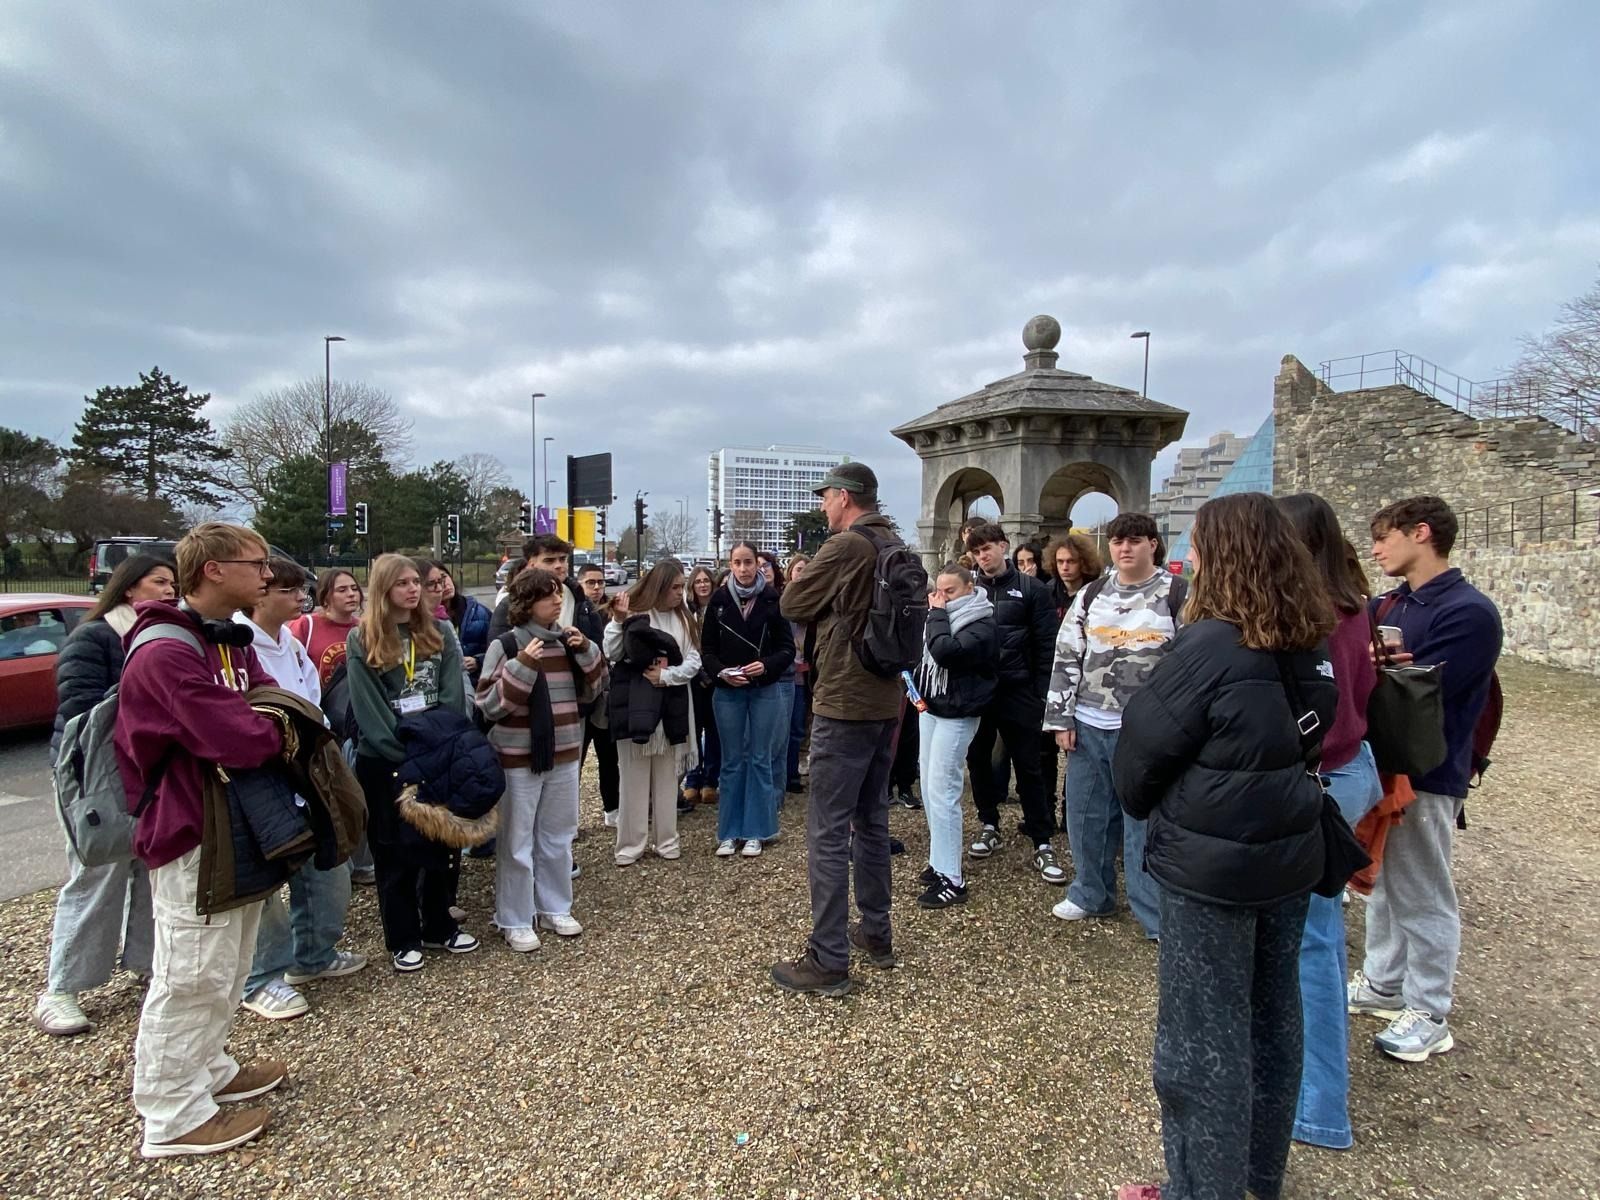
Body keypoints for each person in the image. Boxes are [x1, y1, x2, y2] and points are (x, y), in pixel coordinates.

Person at [1111, 492, 1338, 1200]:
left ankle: (1200, 1189)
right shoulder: (1311, 640)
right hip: (1288, 854)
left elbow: (1140, 754)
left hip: (1214, 868)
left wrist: (1156, 805)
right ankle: (1255, 1181)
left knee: (1200, 1041)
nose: (1193, 557)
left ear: (1225, 555)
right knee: (1273, 1020)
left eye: (1201, 545)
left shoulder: (1207, 645)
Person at [115, 523, 291, 1158]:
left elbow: (259, 706)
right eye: (256, 563)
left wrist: (266, 719)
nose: (268, 575)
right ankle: (171, 1112)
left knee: (229, 961)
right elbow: (245, 735)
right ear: (214, 570)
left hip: (229, 820)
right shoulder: (167, 651)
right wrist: (277, 727)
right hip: (190, 827)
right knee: (190, 970)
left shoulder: (221, 639)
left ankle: (208, 1067)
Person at [1349, 496, 1502, 1063]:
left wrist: (1375, 667)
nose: (1376, 548)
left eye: (1385, 537)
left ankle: (1431, 1008)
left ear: (1422, 533)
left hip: (1430, 768)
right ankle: (1384, 982)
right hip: (1387, 760)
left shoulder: (1468, 612)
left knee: (1424, 889)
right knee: (1387, 879)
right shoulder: (1390, 602)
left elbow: (1424, 691)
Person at [771, 462, 903, 996]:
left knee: (827, 830)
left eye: (826, 497)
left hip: (845, 699)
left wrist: (813, 590)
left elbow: (791, 603)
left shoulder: (848, 545)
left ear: (845, 498)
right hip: (884, 696)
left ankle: (828, 959)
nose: (823, 505)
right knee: (871, 820)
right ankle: (876, 934)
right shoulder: (894, 541)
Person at [1277, 493, 1382, 1150]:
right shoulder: (1356, 607)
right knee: (1307, 935)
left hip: (1316, 777)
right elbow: (1364, 694)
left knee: (1313, 942)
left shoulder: (1305, 614)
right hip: (1350, 767)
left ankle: (1320, 1106)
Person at [34, 554, 176, 1038]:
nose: (169, 590)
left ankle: (148, 964)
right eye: (159, 582)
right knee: (96, 877)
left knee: (150, 872)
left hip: (149, 773)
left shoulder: (164, 636)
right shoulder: (94, 638)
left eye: (172, 582)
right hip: (95, 776)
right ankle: (62, 986)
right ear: (128, 589)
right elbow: (80, 711)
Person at [234, 558, 366, 1022]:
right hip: (262, 775)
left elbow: (310, 699)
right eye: (290, 592)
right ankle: (261, 977)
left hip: (307, 768)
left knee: (327, 865)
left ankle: (315, 955)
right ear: (264, 594)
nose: (299, 600)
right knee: (267, 882)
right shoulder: (238, 640)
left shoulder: (287, 641)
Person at [1044, 512, 1184, 936]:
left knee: (1142, 822)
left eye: (1135, 541)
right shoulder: (1091, 595)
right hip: (1088, 723)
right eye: (1119, 541)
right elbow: (1067, 656)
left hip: (1145, 731)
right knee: (1086, 815)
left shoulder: (1179, 595)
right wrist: (1060, 718)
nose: (1125, 548)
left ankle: (1152, 912)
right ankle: (1091, 892)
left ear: (1153, 545)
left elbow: (1191, 665)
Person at [346, 554, 476, 972]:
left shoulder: (439, 631)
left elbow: (453, 694)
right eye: (402, 583)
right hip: (387, 761)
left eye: (415, 582)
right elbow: (369, 709)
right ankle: (402, 936)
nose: (413, 589)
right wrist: (404, 753)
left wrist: (441, 746)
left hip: (436, 753)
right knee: (394, 849)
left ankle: (439, 924)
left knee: (441, 841)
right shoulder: (362, 638)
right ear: (384, 590)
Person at [477, 567, 605, 950]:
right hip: (518, 758)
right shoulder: (507, 645)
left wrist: (586, 650)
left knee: (558, 836)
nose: (557, 601)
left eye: (559, 596)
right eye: (548, 595)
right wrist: (523, 667)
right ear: (526, 603)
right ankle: (514, 917)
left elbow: (594, 689)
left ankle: (554, 906)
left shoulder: (567, 641)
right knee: (516, 841)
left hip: (565, 752)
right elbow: (489, 704)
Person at [961, 522, 1062, 884]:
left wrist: (1040, 692)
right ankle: (989, 822)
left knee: (1029, 765)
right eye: (976, 551)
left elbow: (1047, 643)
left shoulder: (1032, 589)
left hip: (1020, 691)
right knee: (979, 761)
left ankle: (1041, 837)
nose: (983, 556)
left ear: (1003, 546)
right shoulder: (969, 590)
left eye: (987, 548)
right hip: (980, 693)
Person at [700, 542, 795, 857]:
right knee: (732, 760)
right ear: (730, 564)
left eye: (748, 562)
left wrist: (766, 665)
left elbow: (787, 649)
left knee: (759, 758)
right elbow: (707, 652)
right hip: (728, 691)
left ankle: (757, 830)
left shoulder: (772, 599)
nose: (743, 568)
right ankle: (729, 831)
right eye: (737, 562)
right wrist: (722, 672)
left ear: (758, 564)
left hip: (764, 689)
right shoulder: (719, 600)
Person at [605, 559, 702, 866]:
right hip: (637, 706)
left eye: (682, 586)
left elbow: (694, 660)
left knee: (667, 778)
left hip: (673, 704)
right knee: (632, 778)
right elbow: (613, 653)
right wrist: (618, 621)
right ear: (659, 586)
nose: (680, 592)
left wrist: (666, 677)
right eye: (675, 587)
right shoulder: (635, 612)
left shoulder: (685, 619)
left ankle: (667, 840)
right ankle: (630, 845)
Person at [910, 564, 996, 909]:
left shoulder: (982, 622)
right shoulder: (942, 618)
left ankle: (953, 878)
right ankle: (939, 859)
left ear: (970, 587)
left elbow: (946, 652)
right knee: (930, 787)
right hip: (931, 705)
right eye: (939, 592)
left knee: (944, 789)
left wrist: (936, 614)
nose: (943, 598)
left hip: (959, 710)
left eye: (951, 591)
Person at [575, 563, 621, 827]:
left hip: (605, 694)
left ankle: (612, 808)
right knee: (575, 762)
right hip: (581, 695)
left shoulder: (610, 611)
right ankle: (571, 817)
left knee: (608, 756)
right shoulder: (574, 611)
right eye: (590, 582)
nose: (596, 587)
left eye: (600, 582)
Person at [756, 550, 797, 817]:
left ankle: (772, 802)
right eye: (756, 565)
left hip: (781, 677)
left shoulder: (784, 600)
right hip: (754, 679)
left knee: (778, 744)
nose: (762, 569)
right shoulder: (746, 601)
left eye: (766, 565)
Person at [681, 564, 722, 810]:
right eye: (698, 581)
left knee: (715, 732)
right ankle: (692, 779)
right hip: (691, 678)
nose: (703, 585)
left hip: (714, 677)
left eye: (707, 580)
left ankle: (710, 780)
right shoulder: (686, 612)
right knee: (693, 733)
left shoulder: (719, 609)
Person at [288, 569, 362, 689]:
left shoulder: (364, 628)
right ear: (326, 596)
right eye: (342, 590)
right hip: (316, 703)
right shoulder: (306, 625)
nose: (351, 594)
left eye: (354, 588)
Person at [426, 561, 492, 682]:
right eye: (433, 583)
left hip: (476, 684)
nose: (443, 585)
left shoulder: (479, 612)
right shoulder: (425, 621)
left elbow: (498, 650)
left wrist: (478, 661)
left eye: (444, 577)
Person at [783, 556, 812, 789]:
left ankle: (792, 773)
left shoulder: (814, 602)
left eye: (806, 570)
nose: (801, 574)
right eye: (798, 569)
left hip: (806, 676)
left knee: (798, 727)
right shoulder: (783, 602)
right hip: (785, 673)